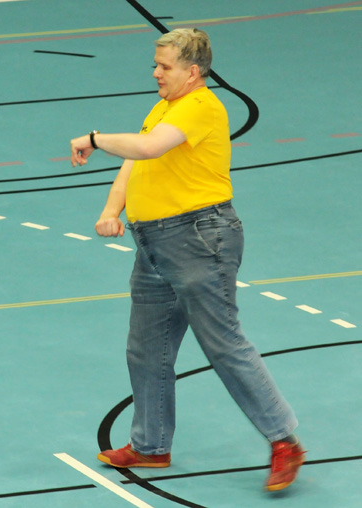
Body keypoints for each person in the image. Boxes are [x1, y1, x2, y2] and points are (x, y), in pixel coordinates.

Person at [69, 28, 305, 492]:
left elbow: (147, 148)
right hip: (153, 244)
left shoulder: (200, 107)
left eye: (165, 67)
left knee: (223, 343)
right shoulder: (164, 108)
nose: (156, 74)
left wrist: (94, 137)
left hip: (198, 239)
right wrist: (111, 210)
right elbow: (135, 163)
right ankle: (151, 445)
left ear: (192, 72)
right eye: (156, 65)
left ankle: (285, 441)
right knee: (146, 347)